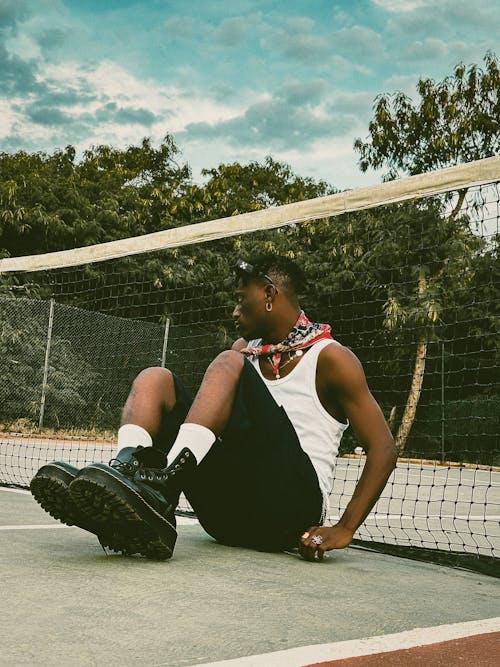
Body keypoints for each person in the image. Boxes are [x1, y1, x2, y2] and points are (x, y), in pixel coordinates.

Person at [30, 254, 396, 561]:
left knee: (228, 360)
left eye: (242, 300)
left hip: (290, 513)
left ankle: (161, 491)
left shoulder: (331, 358)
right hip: (227, 519)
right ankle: (130, 476)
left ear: (270, 294)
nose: (235, 311)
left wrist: (344, 528)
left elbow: (384, 448)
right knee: (155, 379)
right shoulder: (247, 352)